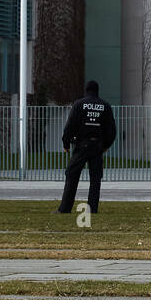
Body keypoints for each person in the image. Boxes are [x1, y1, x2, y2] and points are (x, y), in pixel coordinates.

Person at [57, 80, 117, 215]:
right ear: (97, 90)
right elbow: (112, 130)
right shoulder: (105, 106)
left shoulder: (79, 104)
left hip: (82, 145)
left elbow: (70, 126)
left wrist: (66, 144)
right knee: (95, 179)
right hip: (97, 146)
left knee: (72, 174)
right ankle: (92, 209)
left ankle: (65, 208)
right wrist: (106, 145)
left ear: (86, 90)